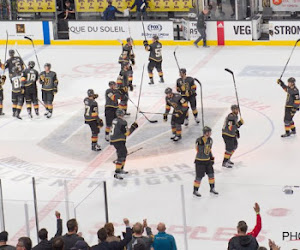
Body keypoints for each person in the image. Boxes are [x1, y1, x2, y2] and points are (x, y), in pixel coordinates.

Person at [110, 109, 138, 180]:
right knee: (121, 155)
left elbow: (121, 129)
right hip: (119, 140)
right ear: (122, 114)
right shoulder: (123, 122)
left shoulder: (114, 120)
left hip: (114, 139)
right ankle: (117, 172)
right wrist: (133, 127)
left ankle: (120, 169)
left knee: (124, 153)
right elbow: (127, 133)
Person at [193, 126, 218, 197]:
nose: (210, 133)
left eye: (210, 132)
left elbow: (209, 150)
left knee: (211, 175)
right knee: (199, 176)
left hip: (207, 161)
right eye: (208, 132)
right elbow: (198, 150)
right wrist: (202, 142)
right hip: (200, 161)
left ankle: (212, 188)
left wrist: (211, 158)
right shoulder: (199, 140)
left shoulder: (210, 140)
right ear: (205, 133)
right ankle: (195, 190)